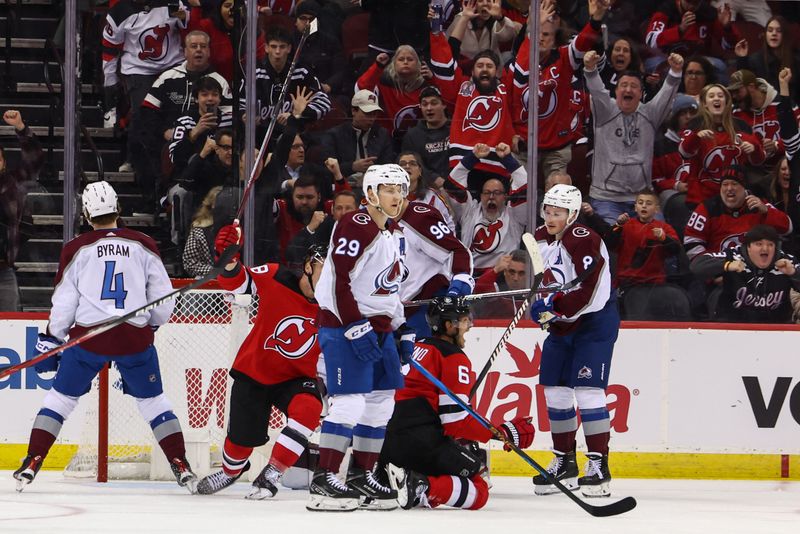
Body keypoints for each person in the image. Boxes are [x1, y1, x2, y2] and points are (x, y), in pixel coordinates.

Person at [13, 182, 197, 493]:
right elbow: (164, 300)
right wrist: (149, 326)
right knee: (153, 402)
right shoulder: (143, 243)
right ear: (119, 209)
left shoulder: (76, 248)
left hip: (89, 338)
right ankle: (180, 464)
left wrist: (52, 338)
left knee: (59, 399)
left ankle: (33, 460)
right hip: (132, 338)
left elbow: (64, 302)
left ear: (86, 215)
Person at [308, 164, 412, 512]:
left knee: (382, 402)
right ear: (370, 193)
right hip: (346, 326)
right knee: (350, 401)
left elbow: (389, 288)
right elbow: (340, 281)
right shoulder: (358, 224)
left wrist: (403, 327)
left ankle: (359, 477)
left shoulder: (392, 233)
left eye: (399, 189)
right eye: (388, 189)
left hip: (380, 329)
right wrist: (353, 325)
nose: (396, 196)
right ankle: (324, 480)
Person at [195, 234, 326, 499]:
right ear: (309, 266)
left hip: (296, 378)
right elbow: (239, 285)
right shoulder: (276, 276)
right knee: (239, 448)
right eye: (327, 268)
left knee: (310, 407)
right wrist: (229, 261)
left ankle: (272, 473)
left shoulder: (337, 304)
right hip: (255, 372)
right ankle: (231, 472)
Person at [381, 296, 534, 510]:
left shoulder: (415, 347)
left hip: (385, 442)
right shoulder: (453, 357)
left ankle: (391, 477)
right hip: (419, 442)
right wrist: (499, 433)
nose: (469, 325)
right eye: (463, 321)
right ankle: (422, 486)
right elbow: (455, 423)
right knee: (479, 488)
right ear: (448, 325)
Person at [530, 184, 618, 498]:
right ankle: (564, 461)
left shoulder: (583, 238)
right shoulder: (540, 237)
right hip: (563, 322)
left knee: (588, 391)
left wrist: (555, 309)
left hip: (593, 321)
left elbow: (590, 292)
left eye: (559, 212)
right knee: (555, 390)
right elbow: (548, 282)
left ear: (573, 214)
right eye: (549, 211)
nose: (552, 217)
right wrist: (540, 306)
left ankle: (597, 465)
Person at [102, 0, 189, 207]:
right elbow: (109, 50)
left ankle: (169, 178)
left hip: (173, 66)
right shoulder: (120, 11)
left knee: (174, 121)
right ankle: (146, 180)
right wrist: (109, 88)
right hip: (138, 71)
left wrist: (185, 14)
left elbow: (190, 27)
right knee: (143, 121)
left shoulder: (173, 3)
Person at [583, 50, 684, 225]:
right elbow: (598, 91)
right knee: (612, 235)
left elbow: (666, 95)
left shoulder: (650, 114)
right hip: (606, 198)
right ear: (616, 90)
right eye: (624, 85)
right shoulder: (605, 110)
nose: (628, 89)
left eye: (634, 86)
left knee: (658, 236)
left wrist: (675, 72)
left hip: (642, 197)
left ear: (640, 93)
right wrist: (591, 70)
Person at [509, 0, 604, 177]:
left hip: (556, 148)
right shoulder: (517, 65)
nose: (541, 37)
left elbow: (583, 42)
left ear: (554, 39)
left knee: (558, 195)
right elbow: (519, 82)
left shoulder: (564, 58)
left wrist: (596, 19)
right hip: (524, 146)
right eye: (537, 33)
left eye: (546, 34)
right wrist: (510, 134)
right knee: (518, 195)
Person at [396, 190, 474, 337]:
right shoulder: (373, 222)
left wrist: (458, 288)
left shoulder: (419, 218)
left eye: (394, 190)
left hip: (424, 307)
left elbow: (457, 251)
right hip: (393, 313)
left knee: (429, 357)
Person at [445, 142, 527, 275]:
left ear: (506, 197)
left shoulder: (514, 215)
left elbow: (525, 188)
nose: (491, 197)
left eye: (497, 193)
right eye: (487, 192)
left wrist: (508, 159)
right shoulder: (470, 211)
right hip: (470, 273)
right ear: (481, 195)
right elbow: (452, 185)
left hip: (504, 276)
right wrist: (472, 157)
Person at [679, 83, 766, 207]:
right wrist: (696, 137)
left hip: (735, 195)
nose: (716, 99)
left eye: (720, 96)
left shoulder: (741, 126)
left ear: (727, 102)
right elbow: (684, 153)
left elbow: (759, 160)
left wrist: (754, 149)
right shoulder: (695, 125)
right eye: (711, 96)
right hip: (702, 197)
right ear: (704, 103)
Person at [691, 224, 800, 323]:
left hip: (777, 328)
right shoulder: (733, 255)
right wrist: (726, 265)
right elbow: (696, 266)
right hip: (732, 327)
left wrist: (793, 273)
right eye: (759, 244)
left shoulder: (786, 262)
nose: (765, 248)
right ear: (748, 247)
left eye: (770, 244)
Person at [683, 166, 792, 261]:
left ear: (744, 188)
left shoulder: (759, 205)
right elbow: (692, 243)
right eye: (725, 184)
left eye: (734, 184)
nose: (729, 188)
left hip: (756, 271)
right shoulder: (707, 208)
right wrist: (713, 275)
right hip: (721, 270)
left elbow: (788, 228)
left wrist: (767, 212)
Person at [0, 109, 43, 312]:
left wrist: (20, 127)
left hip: (3, 270)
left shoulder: (12, 184)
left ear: (3, 162)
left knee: (10, 321)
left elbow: (33, 160)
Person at [356, 44, 436, 145]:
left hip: (420, 140)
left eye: (410, 59)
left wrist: (432, 81)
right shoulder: (383, 83)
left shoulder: (427, 85)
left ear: (418, 64)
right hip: (385, 141)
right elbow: (361, 90)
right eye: (401, 59)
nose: (405, 62)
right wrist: (378, 66)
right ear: (394, 64)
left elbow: (445, 103)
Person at [607, 189, 682, 290]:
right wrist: (618, 225)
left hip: (654, 282)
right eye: (640, 203)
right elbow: (609, 243)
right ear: (635, 207)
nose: (644, 206)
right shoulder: (626, 225)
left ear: (657, 209)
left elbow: (676, 250)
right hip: (626, 281)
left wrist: (664, 238)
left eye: (649, 203)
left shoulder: (664, 228)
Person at [320, 89, 395, 183]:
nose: (372, 119)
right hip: (343, 185)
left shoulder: (382, 134)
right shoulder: (335, 135)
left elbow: (388, 166)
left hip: (375, 185)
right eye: (367, 114)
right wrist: (352, 167)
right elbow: (325, 169)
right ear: (353, 111)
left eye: (374, 114)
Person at [734, 16, 800, 103]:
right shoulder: (755, 60)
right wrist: (742, 58)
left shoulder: (795, 61)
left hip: (791, 109)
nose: (774, 33)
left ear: (785, 35)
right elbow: (743, 86)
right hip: (764, 109)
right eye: (770, 30)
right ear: (765, 35)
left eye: (779, 31)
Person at [401, 85, 451, 182]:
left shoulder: (456, 129)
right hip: (426, 188)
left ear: (444, 105)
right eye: (424, 104)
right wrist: (433, 178)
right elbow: (409, 164)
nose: (429, 108)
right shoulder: (412, 135)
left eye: (434, 103)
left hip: (457, 185)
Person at [445, 0, 522, 62]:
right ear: (474, 3)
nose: (485, 3)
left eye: (489, 0)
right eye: (481, 0)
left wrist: (500, 18)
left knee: (508, 56)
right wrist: (465, 18)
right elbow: (449, 48)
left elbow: (507, 36)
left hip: (492, 70)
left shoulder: (496, 19)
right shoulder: (462, 18)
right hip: (464, 70)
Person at [399, 150, 454, 231]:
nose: (407, 166)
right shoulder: (387, 197)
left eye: (412, 164)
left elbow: (448, 224)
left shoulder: (433, 197)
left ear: (420, 171)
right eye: (402, 164)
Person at [183, 186, 223, 277]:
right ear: (211, 205)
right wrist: (216, 272)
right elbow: (190, 263)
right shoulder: (199, 231)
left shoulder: (242, 228)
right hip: (209, 281)